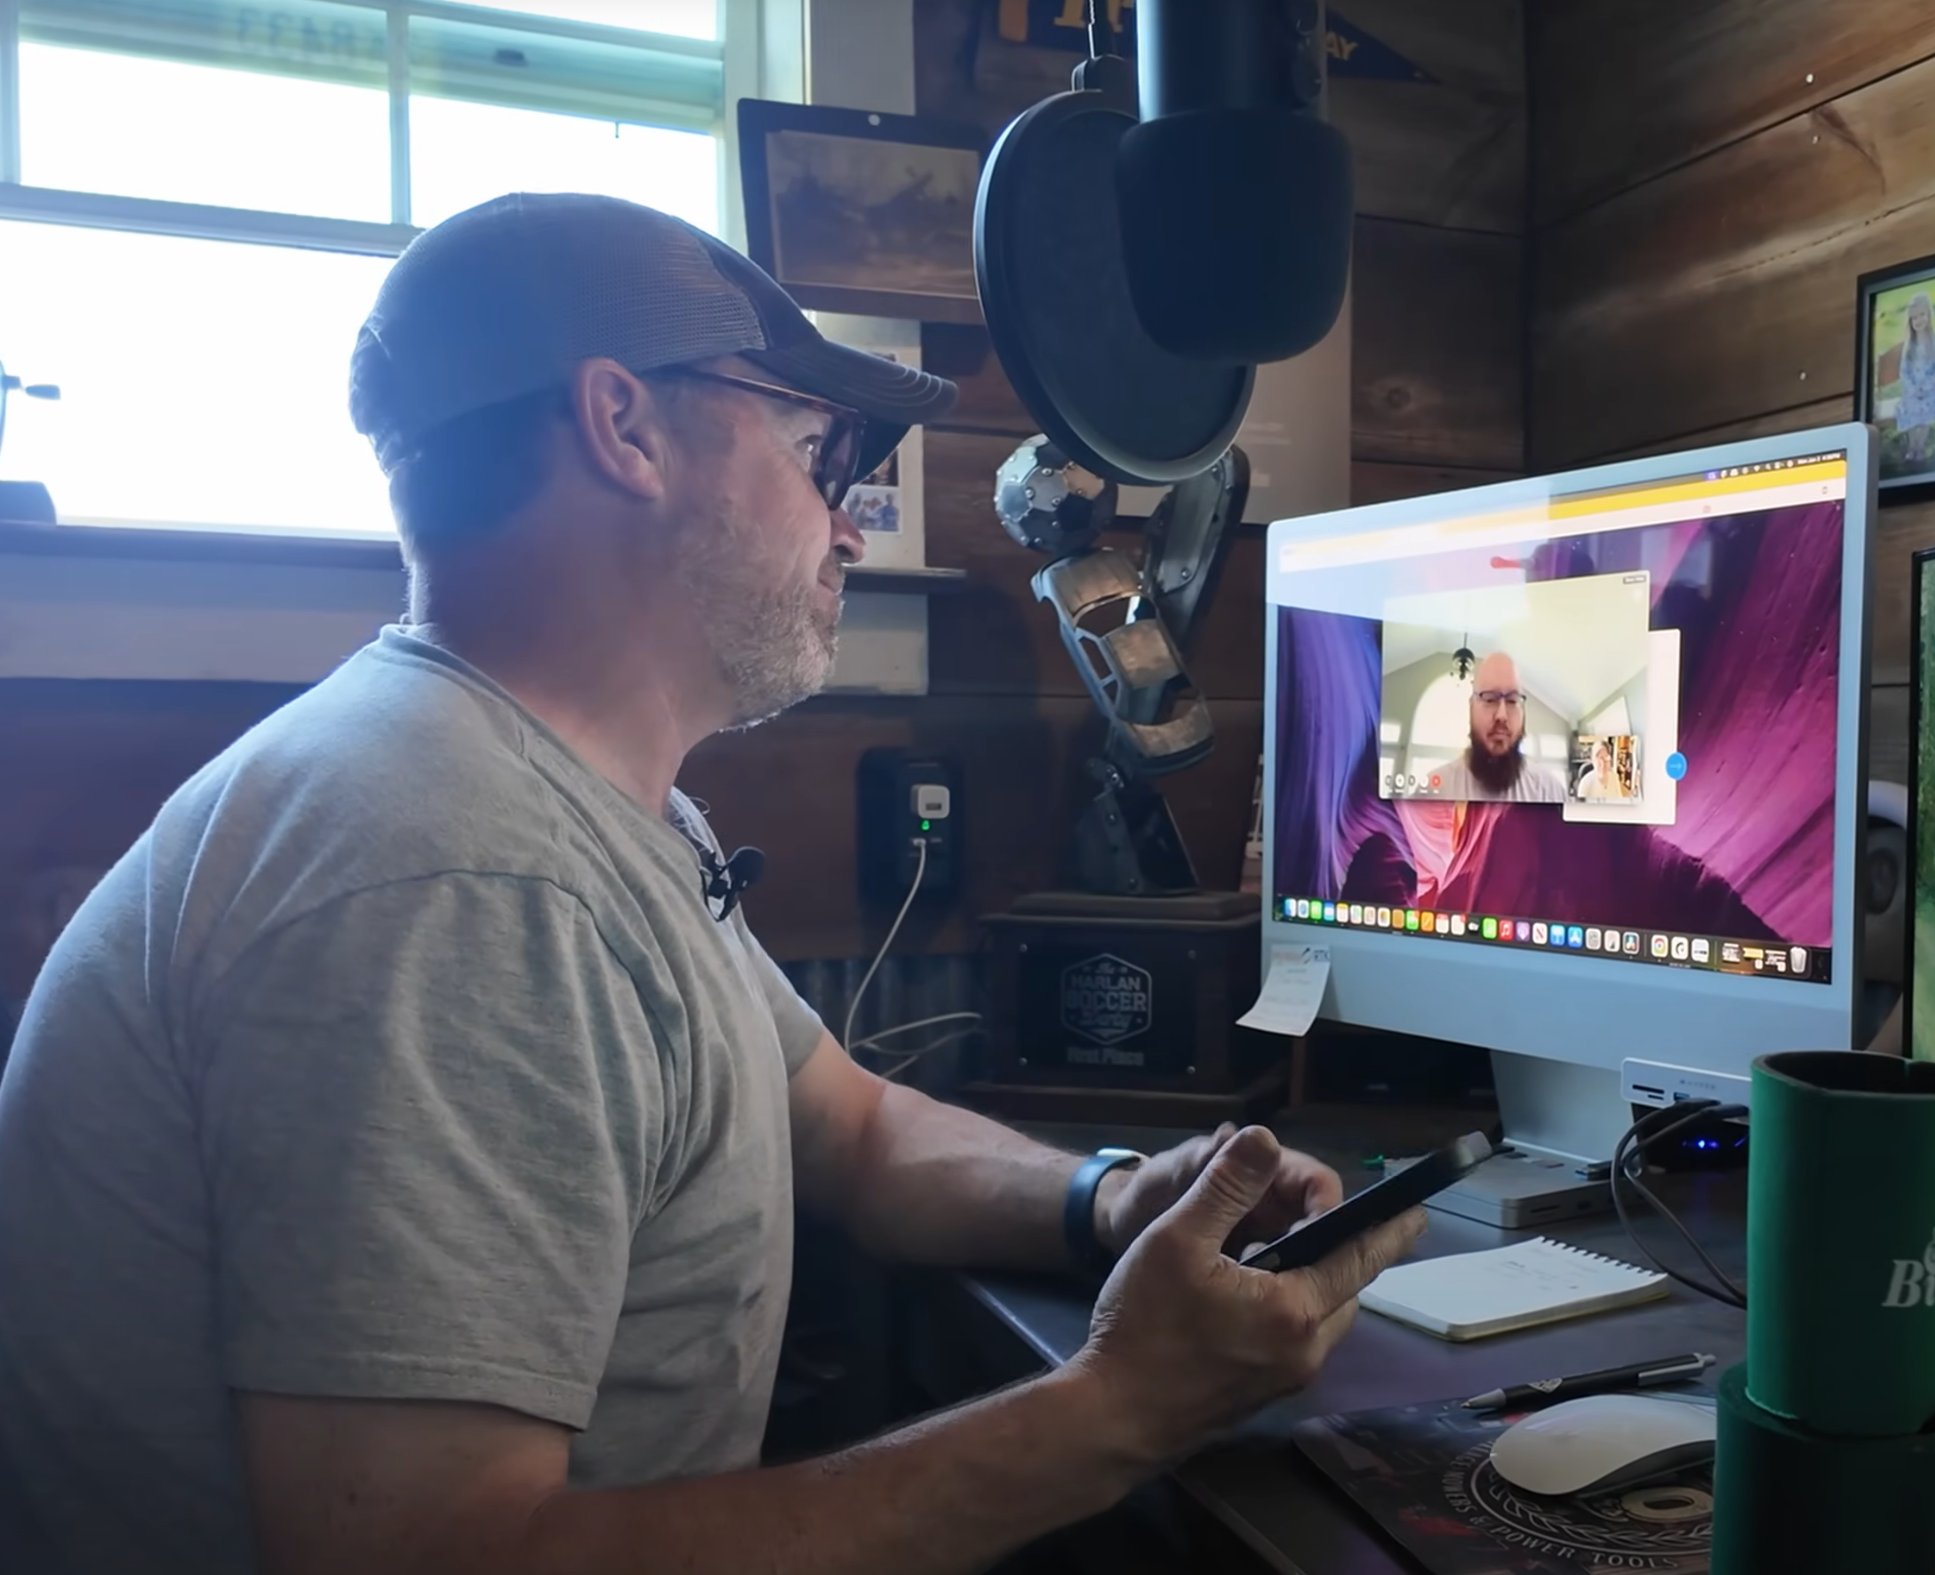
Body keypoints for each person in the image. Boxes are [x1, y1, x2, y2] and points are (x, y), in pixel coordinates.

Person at [0, 194, 1424, 1575]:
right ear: (623, 427)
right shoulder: (459, 874)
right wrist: (1120, 1405)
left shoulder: (564, 802)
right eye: (819, 450)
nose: (849, 524)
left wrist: (1110, 1198)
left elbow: (847, 1124)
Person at [1433, 652, 1567, 804]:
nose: (1501, 715)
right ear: (1471, 708)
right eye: (1490, 699)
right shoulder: (1435, 792)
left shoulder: (1550, 793)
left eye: (1512, 701)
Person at [1893, 291, 1935, 467]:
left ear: (1929, 315)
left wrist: (1925, 387)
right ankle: (1913, 446)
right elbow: (1904, 370)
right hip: (1911, 389)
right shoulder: (1909, 344)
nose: (1918, 321)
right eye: (1914, 318)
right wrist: (1912, 388)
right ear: (1910, 321)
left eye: (1922, 315)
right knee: (1910, 408)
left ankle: (1920, 447)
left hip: (1928, 388)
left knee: (1926, 409)